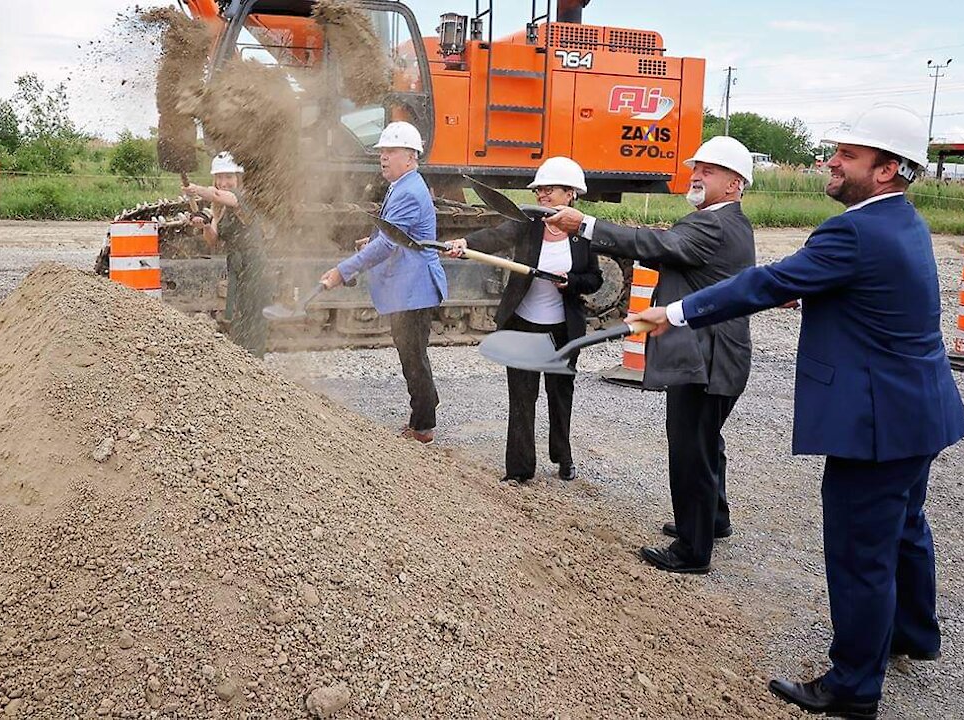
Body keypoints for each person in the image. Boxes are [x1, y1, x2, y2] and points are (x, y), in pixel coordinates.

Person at [629, 104, 964, 718]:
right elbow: (861, 291)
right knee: (907, 529)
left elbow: (765, 282)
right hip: (921, 412)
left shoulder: (853, 231)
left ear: (888, 169)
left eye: (848, 155)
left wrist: (673, 312)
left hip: (874, 423)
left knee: (860, 551)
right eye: (834, 150)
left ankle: (853, 688)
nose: (831, 162)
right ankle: (915, 636)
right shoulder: (903, 222)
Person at [544, 137, 757, 574]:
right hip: (722, 354)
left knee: (690, 448)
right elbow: (676, 251)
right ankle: (713, 519)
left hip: (704, 359)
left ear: (735, 184)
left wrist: (584, 223)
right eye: (696, 167)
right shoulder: (733, 223)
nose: (697, 174)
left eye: (710, 170)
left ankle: (693, 549)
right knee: (707, 439)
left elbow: (651, 245)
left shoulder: (711, 225)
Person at [444, 157, 603, 482]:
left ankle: (563, 457)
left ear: (571, 194)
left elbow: (594, 279)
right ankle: (519, 469)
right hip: (523, 326)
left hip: (563, 332)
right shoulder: (527, 222)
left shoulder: (582, 234)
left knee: (560, 397)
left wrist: (570, 281)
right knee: (521, 398)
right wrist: (465, 243)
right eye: (539, 189)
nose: (542, 194)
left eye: (549, 189)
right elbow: (495, 236)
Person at [319, 121, 446, 444]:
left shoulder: (409, 190)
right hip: (408, 287)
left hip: (414, 289)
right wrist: (371, 238)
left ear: (411, 157)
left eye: (390, 151)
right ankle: (425, 410)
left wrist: (342, 271)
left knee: (413, 356)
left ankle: (423, 426)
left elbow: (389, 244)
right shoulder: (402, 185)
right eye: (382, 152)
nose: (383, 157)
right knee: (411, 354)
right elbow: (391, 233)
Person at [184, 152, 271, 357]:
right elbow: (212, 239)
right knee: (238, 314)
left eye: (229, 177)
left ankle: (255, 360)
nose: (224, 182)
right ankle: (244, 358)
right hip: (236, 264)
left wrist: (195, 190)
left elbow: (216, 195)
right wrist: (204, 225)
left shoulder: (246, 197)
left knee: (253, 313)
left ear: (238, 178)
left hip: (254, 263)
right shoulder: (218, 207)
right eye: (220, 177)